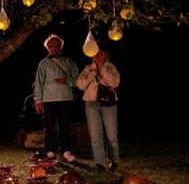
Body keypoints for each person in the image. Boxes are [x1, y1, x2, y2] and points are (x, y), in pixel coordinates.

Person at [76, 43, 122, 171]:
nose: (98, 56)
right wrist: (92, 74)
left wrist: (101, 70)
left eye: (101, 53)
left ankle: (114, 160)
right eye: (96, 54)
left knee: (112, 134)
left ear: (106, 54)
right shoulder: (88, 68)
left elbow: (116, 82)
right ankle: (100, 163)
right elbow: (79, 84)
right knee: (95, 135)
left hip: (108, 103)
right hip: (91, 104)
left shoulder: (110, 67)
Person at [33, 34, 79, 157]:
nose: (54, 48)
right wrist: (38, 100)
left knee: (64, 126)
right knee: (49, 126)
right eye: (51, 46)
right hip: (49, 99)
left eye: (56, 46)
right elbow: (39, 82)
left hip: (65, 97)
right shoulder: (43, 63)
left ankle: (65, 150)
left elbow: (78, 80)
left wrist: (67, 81)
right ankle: (50, 150)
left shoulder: (69, 61)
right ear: (47, 48)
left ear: (61, 46)